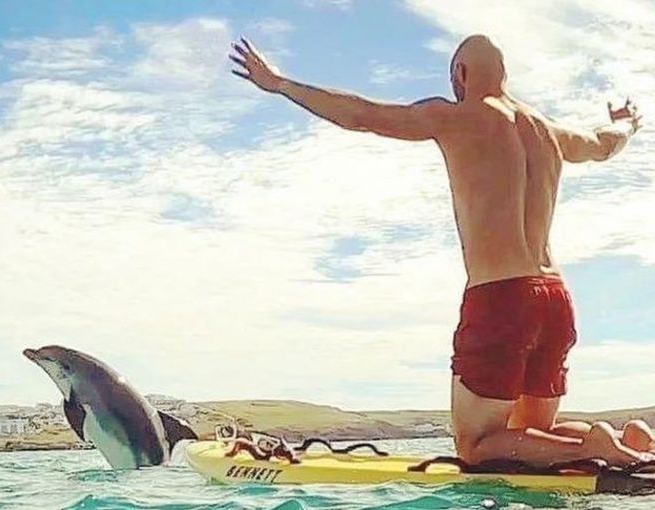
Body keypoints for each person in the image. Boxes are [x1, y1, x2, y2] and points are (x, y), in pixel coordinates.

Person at [229, 34, 651, 468]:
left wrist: (280, 84)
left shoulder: (454, 116)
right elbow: (603, 143)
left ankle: (593, 446)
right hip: (556, 297)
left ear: (460, 75)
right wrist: (627, 125)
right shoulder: (548, 132)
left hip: (502, 296)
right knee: (528, 438)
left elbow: (361, 115)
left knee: (476, 445)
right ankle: (629, 441)